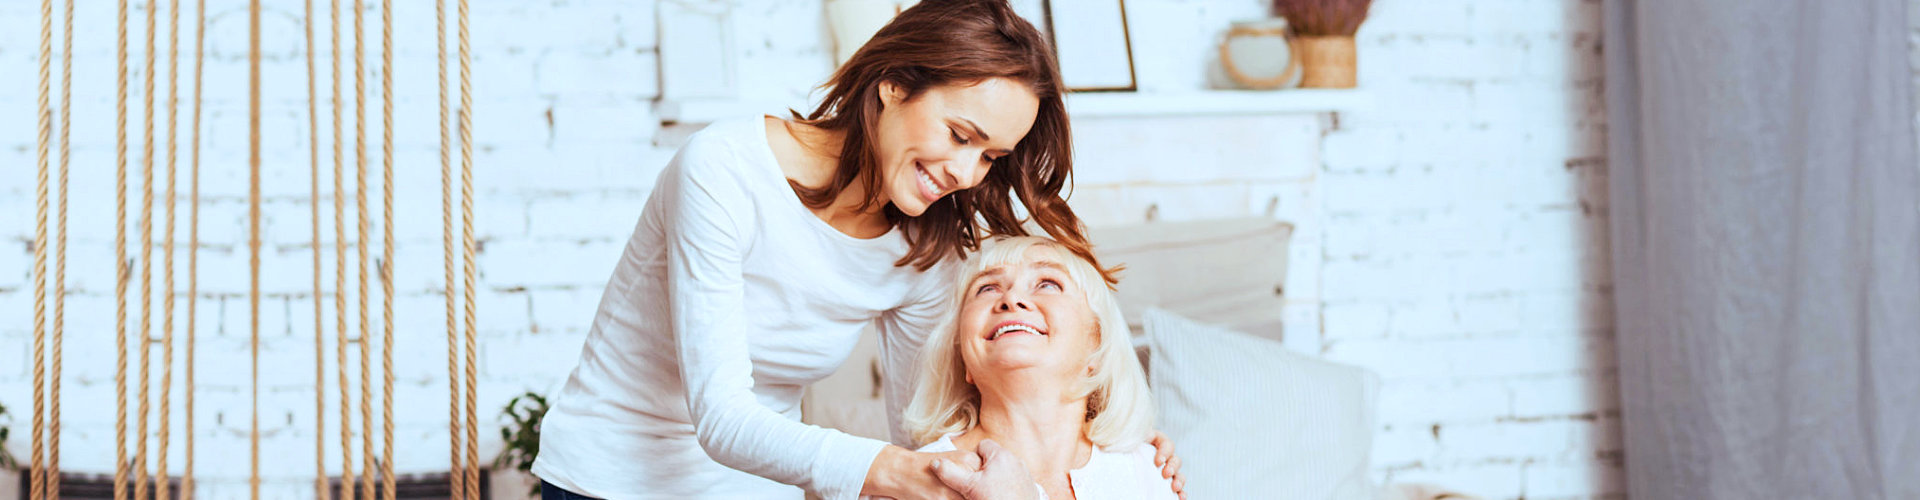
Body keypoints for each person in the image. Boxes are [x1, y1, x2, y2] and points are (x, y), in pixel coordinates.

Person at [528, 1, 1185, 499]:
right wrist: (882, 471)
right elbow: (722, 419)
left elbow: (920, 430)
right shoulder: (724, 169)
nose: (967, 172)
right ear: (893, 84)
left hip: (751, 487)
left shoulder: (925, 241)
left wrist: (1112, 461)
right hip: (605, 479)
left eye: (990, 156)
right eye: (959, 133)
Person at [897, 236, 1177, 500]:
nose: (1011, 299)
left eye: (1047, 284)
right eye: (987, 288)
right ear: (963, 360)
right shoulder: (915, 482)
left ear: (1097, 345)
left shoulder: (1149, 471)